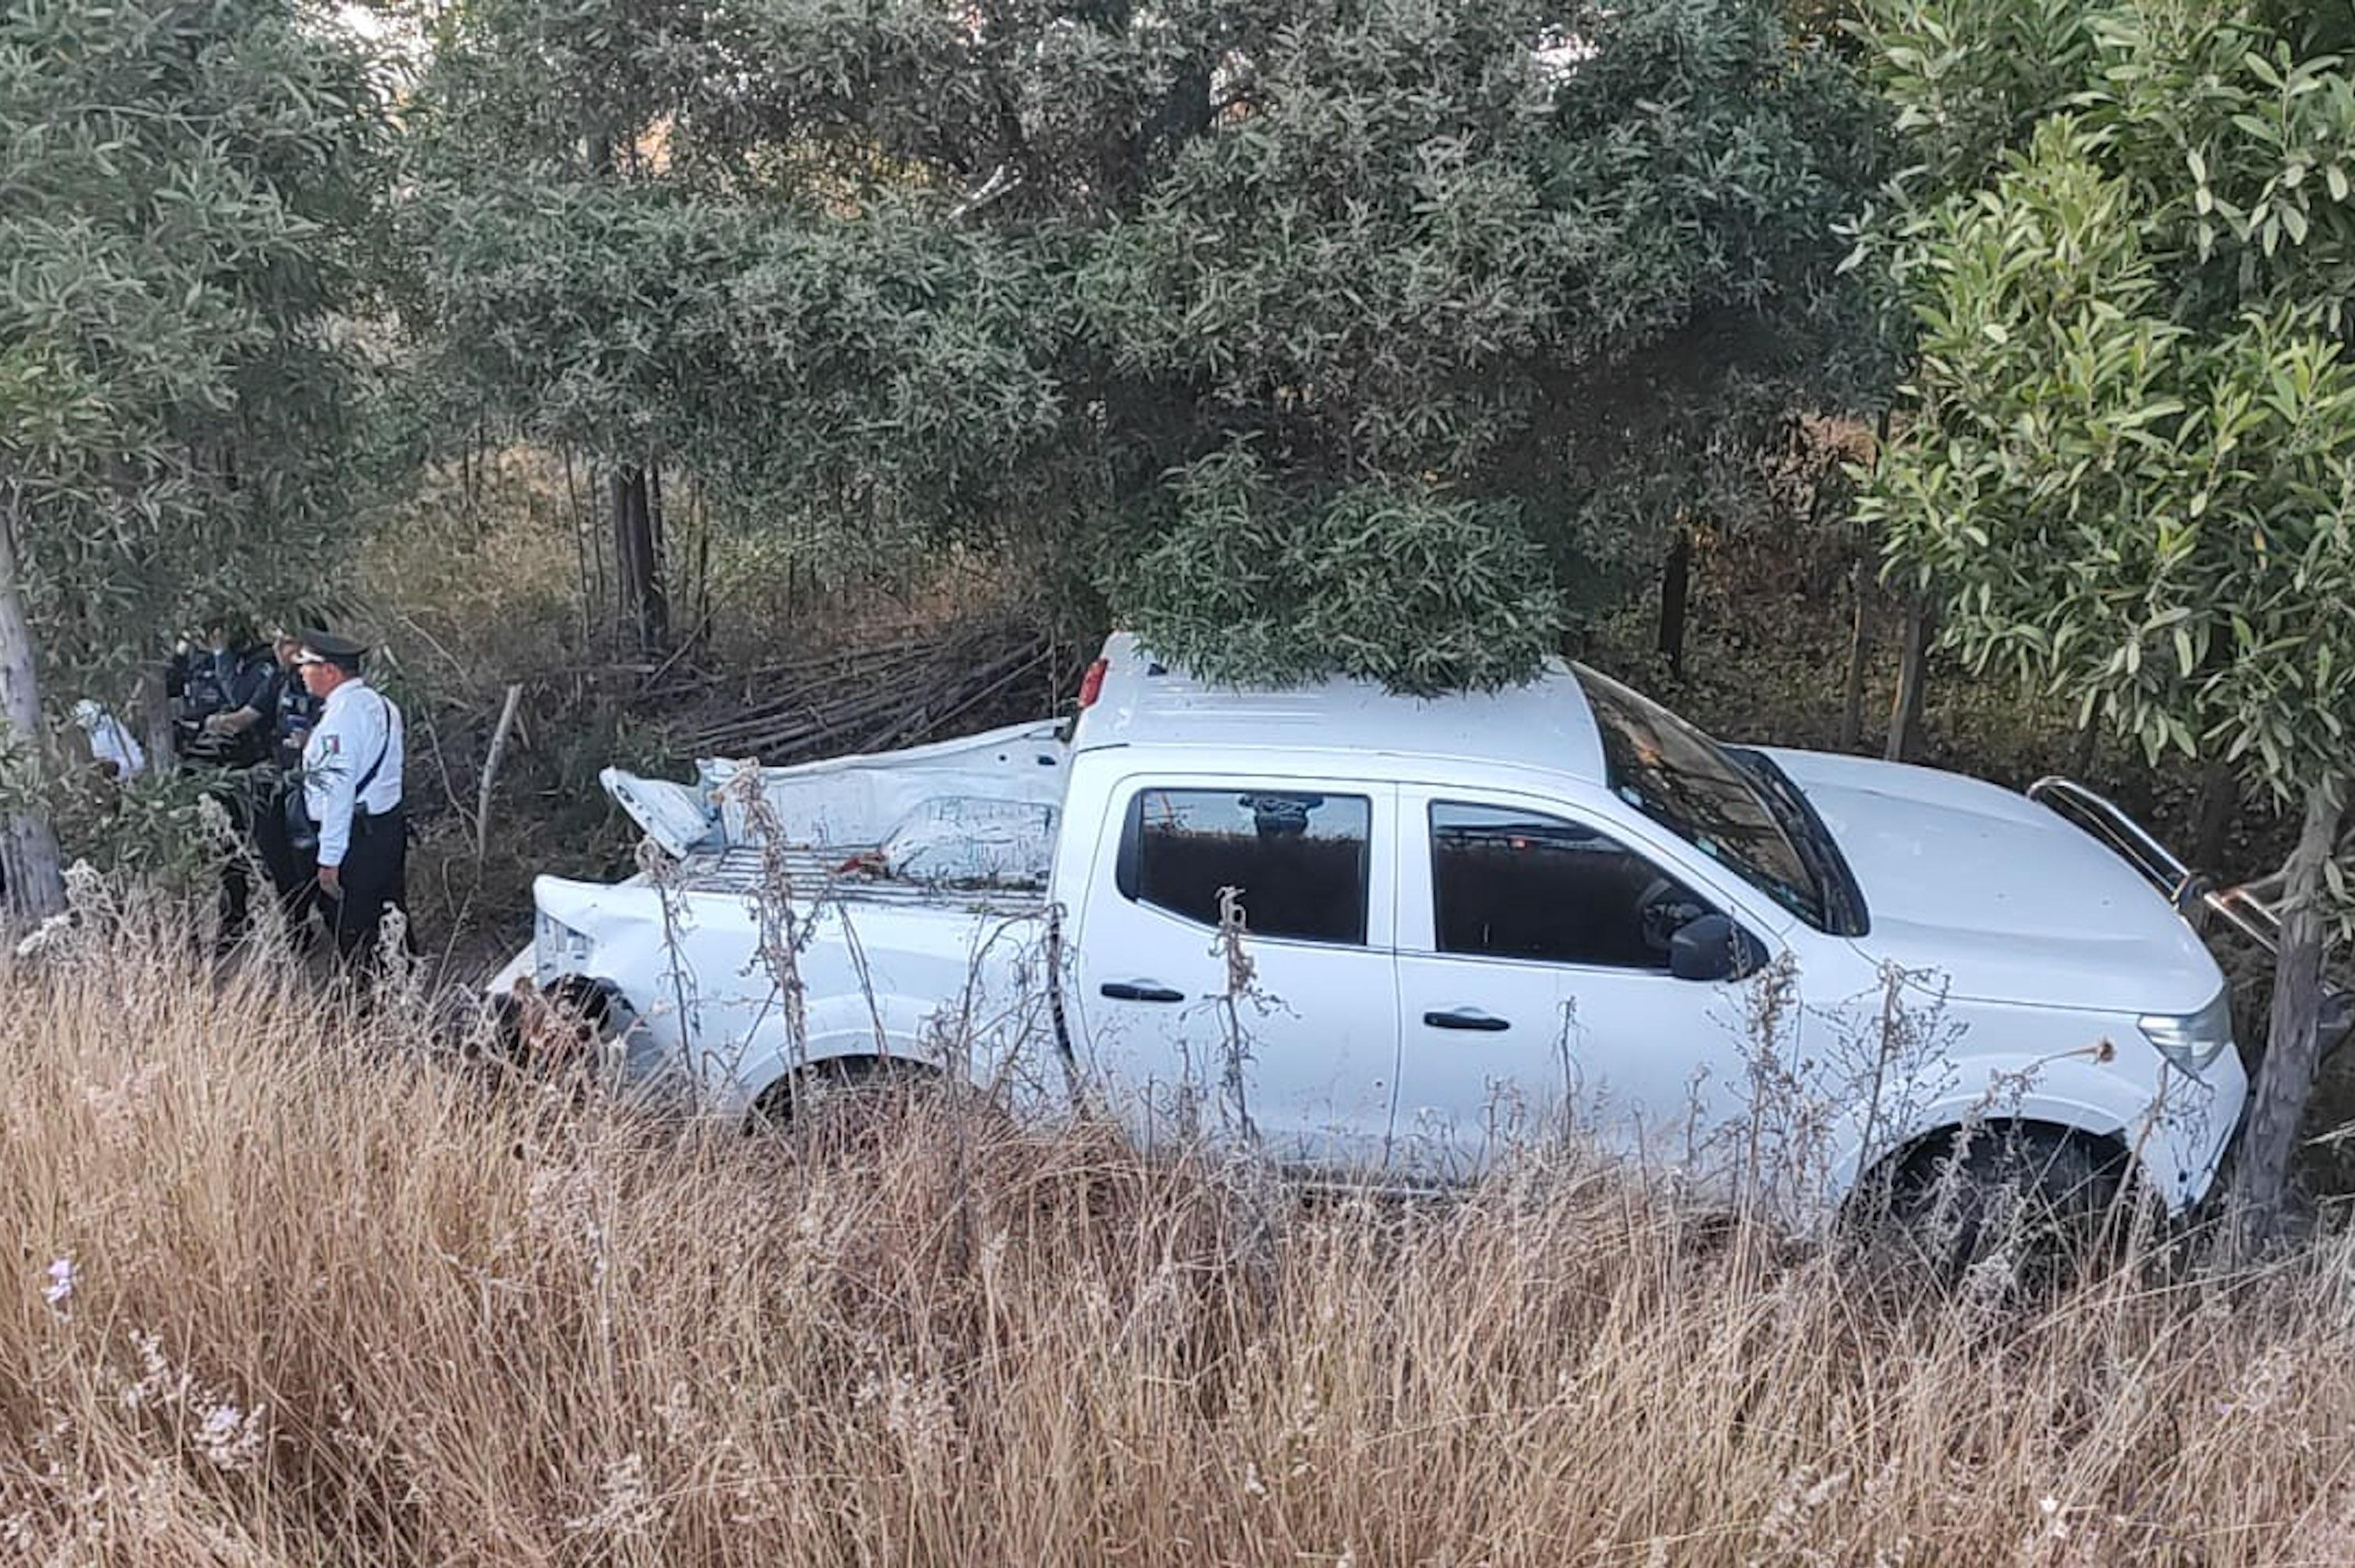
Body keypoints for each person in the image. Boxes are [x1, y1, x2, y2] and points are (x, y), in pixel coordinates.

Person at [294, 630, 410, 975]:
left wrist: (329, 858)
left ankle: (367, 1010)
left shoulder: (341, 719)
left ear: (330, 671)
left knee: (357, 933)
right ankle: (405, 994)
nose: (301, 672)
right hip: (386, 826)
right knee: (392, 919)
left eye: (307, 665)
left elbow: (338, 792)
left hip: (356, 839)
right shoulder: (381, 706)